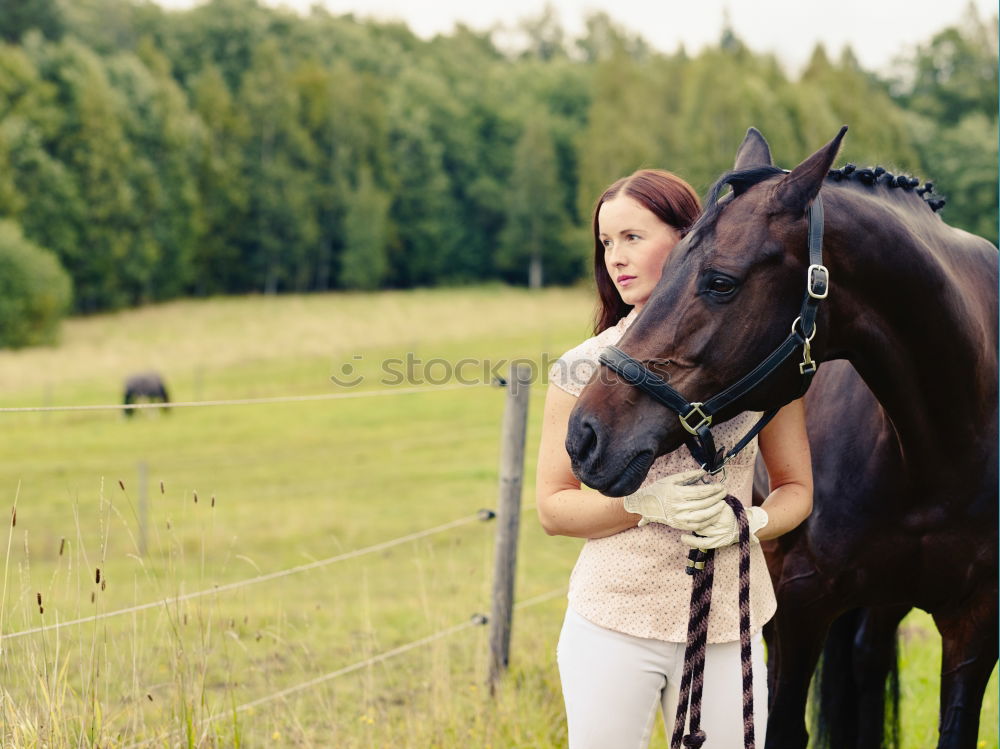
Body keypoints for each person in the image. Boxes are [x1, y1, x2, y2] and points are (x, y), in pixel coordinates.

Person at [535, 168, 813, 749]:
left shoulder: (759, 363)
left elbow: (796, 490)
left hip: (728, 622)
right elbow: (554, 509)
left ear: (689, 238)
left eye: (632, 237)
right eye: (606, 242)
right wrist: (647, 506)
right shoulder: (582, 366)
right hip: (613, 621)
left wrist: (753, 520)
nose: (615, 257)